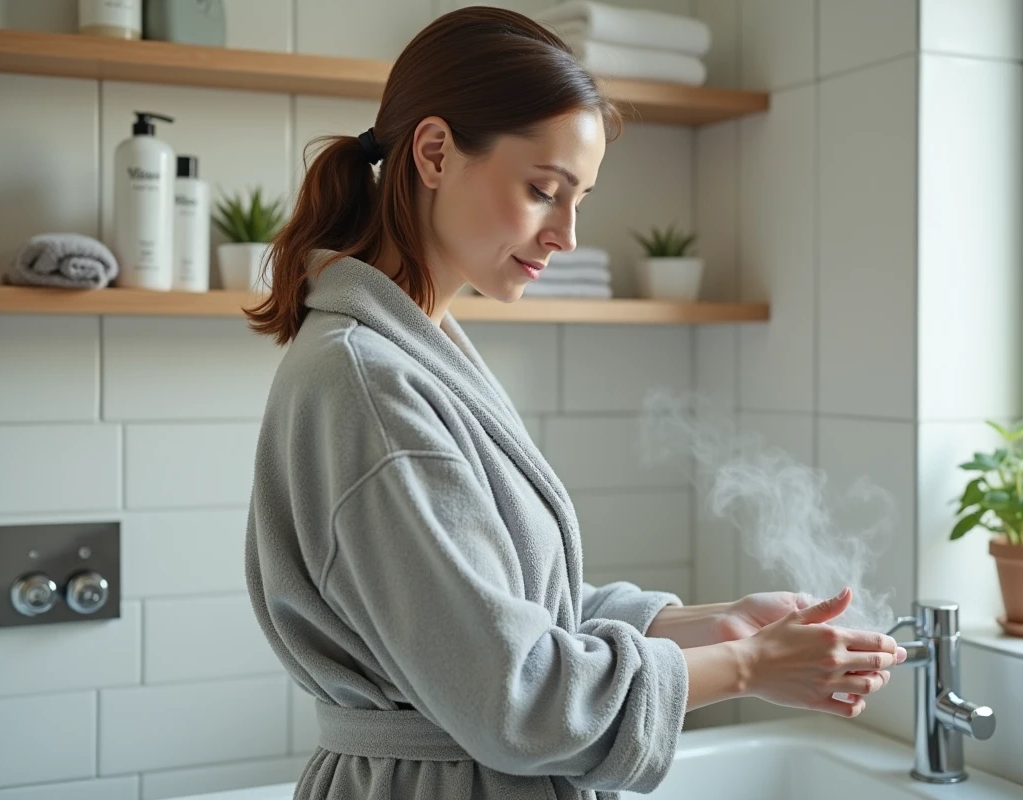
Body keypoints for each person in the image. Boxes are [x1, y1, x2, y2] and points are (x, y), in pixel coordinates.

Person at [243, 7, 905, 800]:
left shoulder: (414, 351)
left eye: (579, 198)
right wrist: (749, 667)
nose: (567, 234)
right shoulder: (370, 384)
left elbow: (505, 607)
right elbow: (517, 696)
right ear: (434, 152)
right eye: (544, 190)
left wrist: (711, 623)